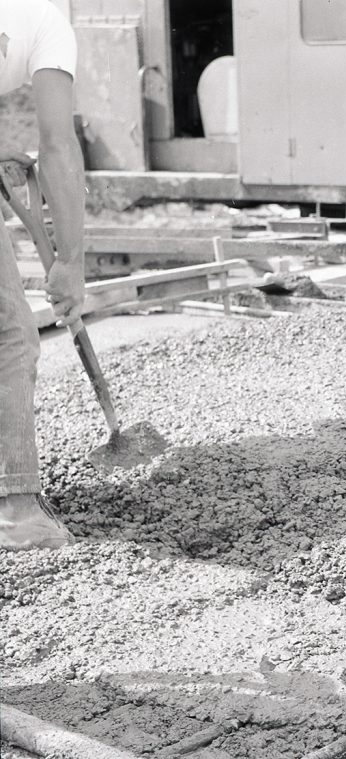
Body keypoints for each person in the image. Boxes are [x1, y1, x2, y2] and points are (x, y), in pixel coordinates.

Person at [0, 0, 85, 549]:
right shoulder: (44, 20)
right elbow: (58, 145)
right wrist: (71, 261)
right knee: (8, 335)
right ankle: (17, 514)